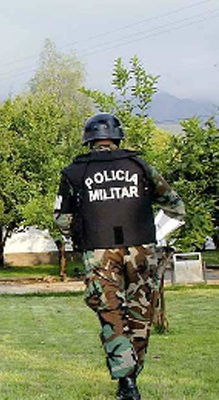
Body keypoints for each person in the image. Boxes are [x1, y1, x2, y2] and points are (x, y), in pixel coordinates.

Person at [53, 113, 185, 400]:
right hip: (142, 250)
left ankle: (126, 381)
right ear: (117, 137)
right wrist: (157, 234)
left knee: (111, 313)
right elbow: (176, 206)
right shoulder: (140, 166)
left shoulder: (74, 173)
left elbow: (62, 220)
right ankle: (131, 378)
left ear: (88, 139)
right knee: (140, 312)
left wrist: (82, 229)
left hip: (99, 252)